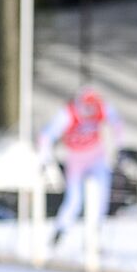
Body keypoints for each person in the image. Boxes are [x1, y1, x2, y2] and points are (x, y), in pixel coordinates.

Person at [38, 87, 123, 245]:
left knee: (101, 195)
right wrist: (45, 158)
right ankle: (61, 231)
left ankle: (95, 232)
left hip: (97, 157)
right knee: (74, 198)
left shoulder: (102, 108)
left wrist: (116, 150)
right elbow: (46, 135)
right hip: (75, 158)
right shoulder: (69, 112)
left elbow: (117, 125)